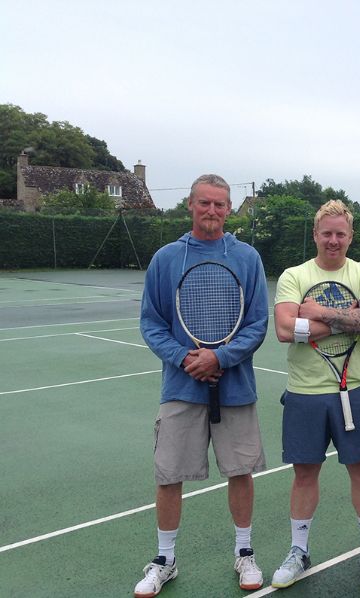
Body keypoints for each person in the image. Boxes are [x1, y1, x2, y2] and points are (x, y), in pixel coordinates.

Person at [135, 174, 269, 597]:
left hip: (236, 388)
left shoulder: (247, 258)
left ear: (229, 209)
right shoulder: (166, 259)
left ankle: (244, 552)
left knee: (240, 471)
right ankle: (164, 559)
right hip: (180, 389)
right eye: (204, 203)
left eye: (220, 204)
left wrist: (221, 357)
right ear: (190, 205)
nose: (212, 210)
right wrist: (185, 358)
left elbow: (257, 323)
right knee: (169, 475)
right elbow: (152, 323)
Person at [270, 199, 360, 589]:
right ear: (316, 235)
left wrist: (316, 311)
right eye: (327, 233)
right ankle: (298, 551)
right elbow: (286, 331)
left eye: (341, 234)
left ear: (350, 236)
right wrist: (343, 319)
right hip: (304, 392)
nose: (333, 240)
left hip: (356, 389)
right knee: (304, 474)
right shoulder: (293, 274)